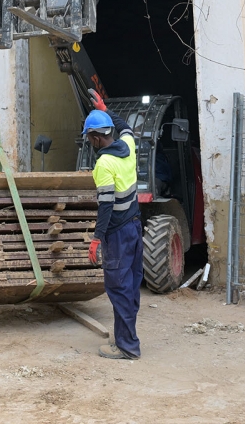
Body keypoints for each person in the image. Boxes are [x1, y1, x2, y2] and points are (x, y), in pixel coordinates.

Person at [84, 103, 143, 360]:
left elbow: (106, 206)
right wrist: (107, 110)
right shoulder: (128, 148)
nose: (89, 142)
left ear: (97, 137)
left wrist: (96, 238)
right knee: (130, 286)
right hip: (134, 227)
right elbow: (127, 128)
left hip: (117, 233)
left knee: (118, 287)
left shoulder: (105, 164)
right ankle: (126, 337)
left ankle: (128, 347)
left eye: (89, 138)